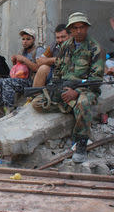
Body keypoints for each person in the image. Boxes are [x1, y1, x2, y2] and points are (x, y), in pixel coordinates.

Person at [32, 12, 104, 163]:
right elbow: (58, 69)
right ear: (70, 29)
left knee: (83, 103)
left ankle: (81, 143)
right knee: (37, 103)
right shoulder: (65, 46)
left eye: (82, 27)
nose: (79, 31)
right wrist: (56, 88)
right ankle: (70, 107)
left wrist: (76, 93)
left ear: (87, 28)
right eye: (75, 28)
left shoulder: (94, 48)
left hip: (85, 89)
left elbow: (96, 79)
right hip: (64, 87)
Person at [0, 28, 44, 123]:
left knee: (7, 82)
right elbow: (19, 69)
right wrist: (15, 61)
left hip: (32, 81)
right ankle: (0, 111)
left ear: (33, 39)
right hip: (21, 79)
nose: (25, 41)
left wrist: (24, 60)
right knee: (0, 82)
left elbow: (38, 68)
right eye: (23, 39)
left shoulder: (38, 50)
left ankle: (9, 111)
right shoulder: (23, 51)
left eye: (28, 39)